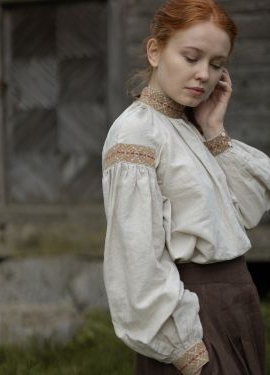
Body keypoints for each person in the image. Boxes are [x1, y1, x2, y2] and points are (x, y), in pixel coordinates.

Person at [101, 0, 270, 374]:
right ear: (155, 51)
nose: (203, 75)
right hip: (195, 316)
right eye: (191, 57)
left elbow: (251, 206)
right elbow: (136, 259)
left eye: (216, 64)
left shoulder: (191, 126)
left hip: (235, 306)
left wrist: (214, 131)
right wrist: (186, 349)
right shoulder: (137, 134)